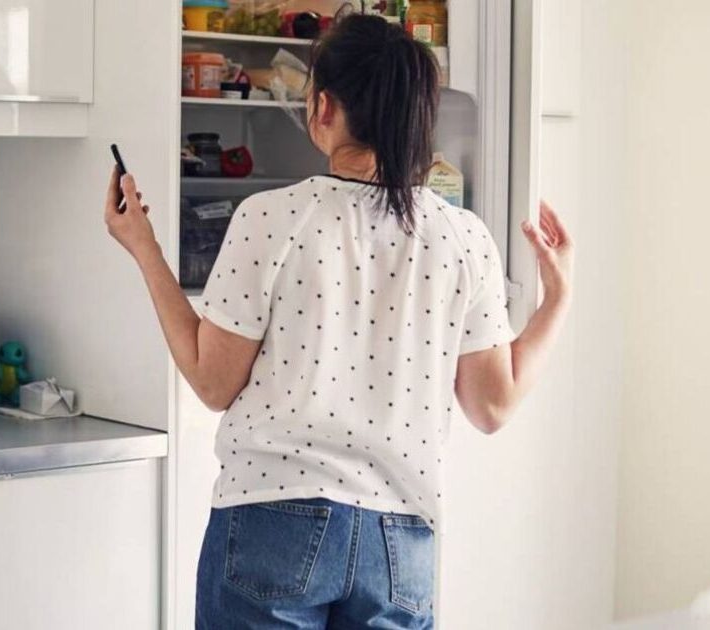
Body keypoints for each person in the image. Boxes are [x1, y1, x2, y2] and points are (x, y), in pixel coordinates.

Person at [103, 14, 572, 630]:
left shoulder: (270, 217)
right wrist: (556, 299)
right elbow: (493, 404)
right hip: (400, 544)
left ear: (323, 107)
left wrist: (145, 249)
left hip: (273, 517)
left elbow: (214, 382)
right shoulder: (464, 237)